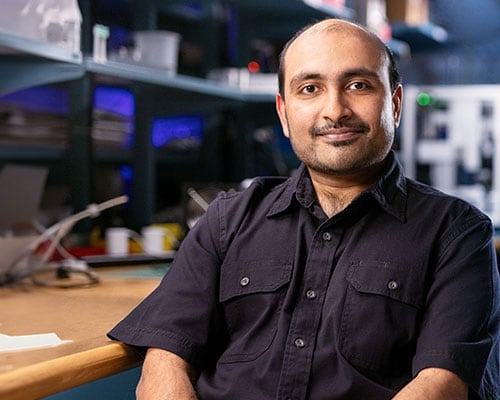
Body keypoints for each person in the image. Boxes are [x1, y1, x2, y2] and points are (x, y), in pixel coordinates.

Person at [108, 19, 500, 399]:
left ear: (394, 104)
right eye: (310, 88)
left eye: (359, 85)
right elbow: (165, 360)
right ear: (283, 113)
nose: (335, 110)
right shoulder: (227, 220)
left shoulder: (458, 233)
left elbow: (442, 385)